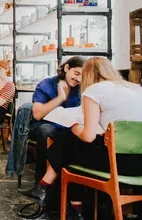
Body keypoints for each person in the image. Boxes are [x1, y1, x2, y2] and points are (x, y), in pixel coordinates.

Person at [19, 57, 142, 219]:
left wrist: (75, 126)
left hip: (116, 165)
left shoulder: (94, 91)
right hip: (138, 165)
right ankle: (50, 192)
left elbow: (88, 136)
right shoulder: (137, 88)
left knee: (69, 142)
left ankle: (46, 189)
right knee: (73, 145)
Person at [17, 56, 85, 187]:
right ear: (66, 68)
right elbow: (37, 114)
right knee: (47, 132)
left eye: (82, 76)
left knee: (81, 136)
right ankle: (41, 183)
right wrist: (60, 98)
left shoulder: (81, 89)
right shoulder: (46, 85)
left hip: (69, 128)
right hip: (44, 125)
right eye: (76, 73)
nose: (78, 79)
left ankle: (74, 189)